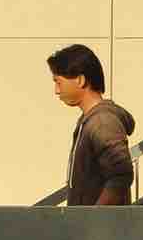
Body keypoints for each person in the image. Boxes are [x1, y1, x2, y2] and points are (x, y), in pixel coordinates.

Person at [47, 43, 135, 206]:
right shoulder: (94, 120)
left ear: (80, 80)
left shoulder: (102, 122)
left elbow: (121, 175)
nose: (56, 91)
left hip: (99, 230)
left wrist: (93, 220)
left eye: (58, 82)